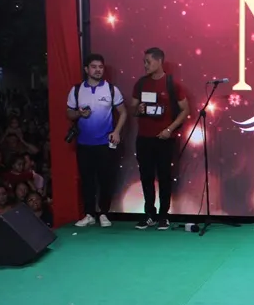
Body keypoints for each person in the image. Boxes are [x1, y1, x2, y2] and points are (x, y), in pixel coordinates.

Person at [130, 47, 190, 230]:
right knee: (146, 177)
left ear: (159, 61)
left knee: (164, 177)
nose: (145, 65)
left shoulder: (173, 84)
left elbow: (185, 110)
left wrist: (169, 129)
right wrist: (138, 109)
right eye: (144, 62)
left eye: (148, 61)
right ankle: (149, 214)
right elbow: (132, 109)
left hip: (165, 139)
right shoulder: (141, 84)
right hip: (144, 139)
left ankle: (164, 215)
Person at [67, 53, 128, 228]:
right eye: (94, 67)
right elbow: (69, 113)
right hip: (84, 144)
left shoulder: (111, 89)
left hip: (105, 144)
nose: (98, 70)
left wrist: (116, 132)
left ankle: (104, 213)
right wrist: (79, 113)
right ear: (86, 69)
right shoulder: (77, 90)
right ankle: (89, 214)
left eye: (100, 67)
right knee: (87, 180)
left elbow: (123, 112)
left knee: (105, 180)